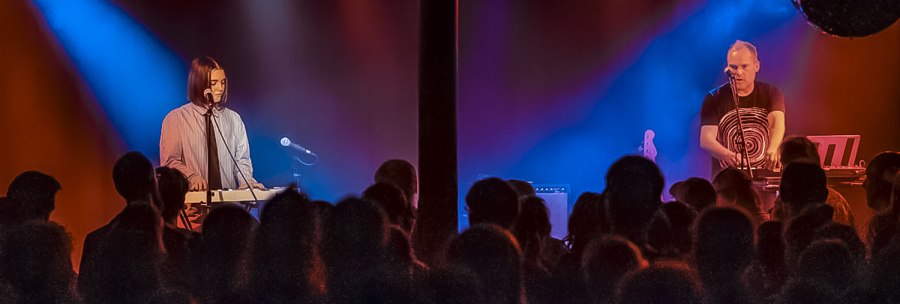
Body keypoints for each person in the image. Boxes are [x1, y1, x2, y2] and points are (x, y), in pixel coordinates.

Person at [160, 56, 263, 191]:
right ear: (198, 83)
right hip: (194, 201)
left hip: (228, 201)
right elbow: (170, 162)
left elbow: (242, 160)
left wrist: (247, 182)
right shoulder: (176, 119)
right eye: (214, 83)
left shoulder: (234, 119)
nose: (220, 88)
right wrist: (192, 177)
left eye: (223, 82)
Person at [700, 40, 785, 177]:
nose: (738, 72)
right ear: (727, 69)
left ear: (756, 66)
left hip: (764, 178)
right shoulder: (714, 97)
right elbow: (706, 140)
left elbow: (776, 122)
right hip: (727, 180)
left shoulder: (771, 92)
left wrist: (774, 147)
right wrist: (729, 155)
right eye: (733, 67)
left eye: (744, 66)